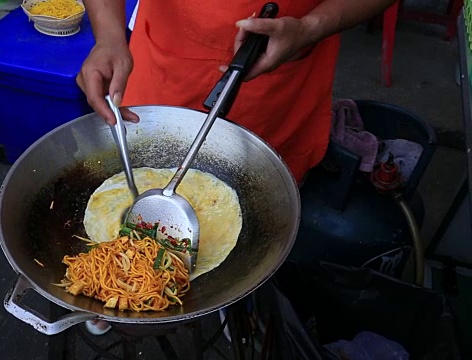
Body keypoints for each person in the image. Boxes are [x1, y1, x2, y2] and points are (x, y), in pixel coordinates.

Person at [76, 0, 397, 335]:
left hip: (278, 73)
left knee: (255, 229)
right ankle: (116, 283)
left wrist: (310, 28)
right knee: (131, 179)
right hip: (165, 62)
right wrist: (109, 36)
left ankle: (237, 297)